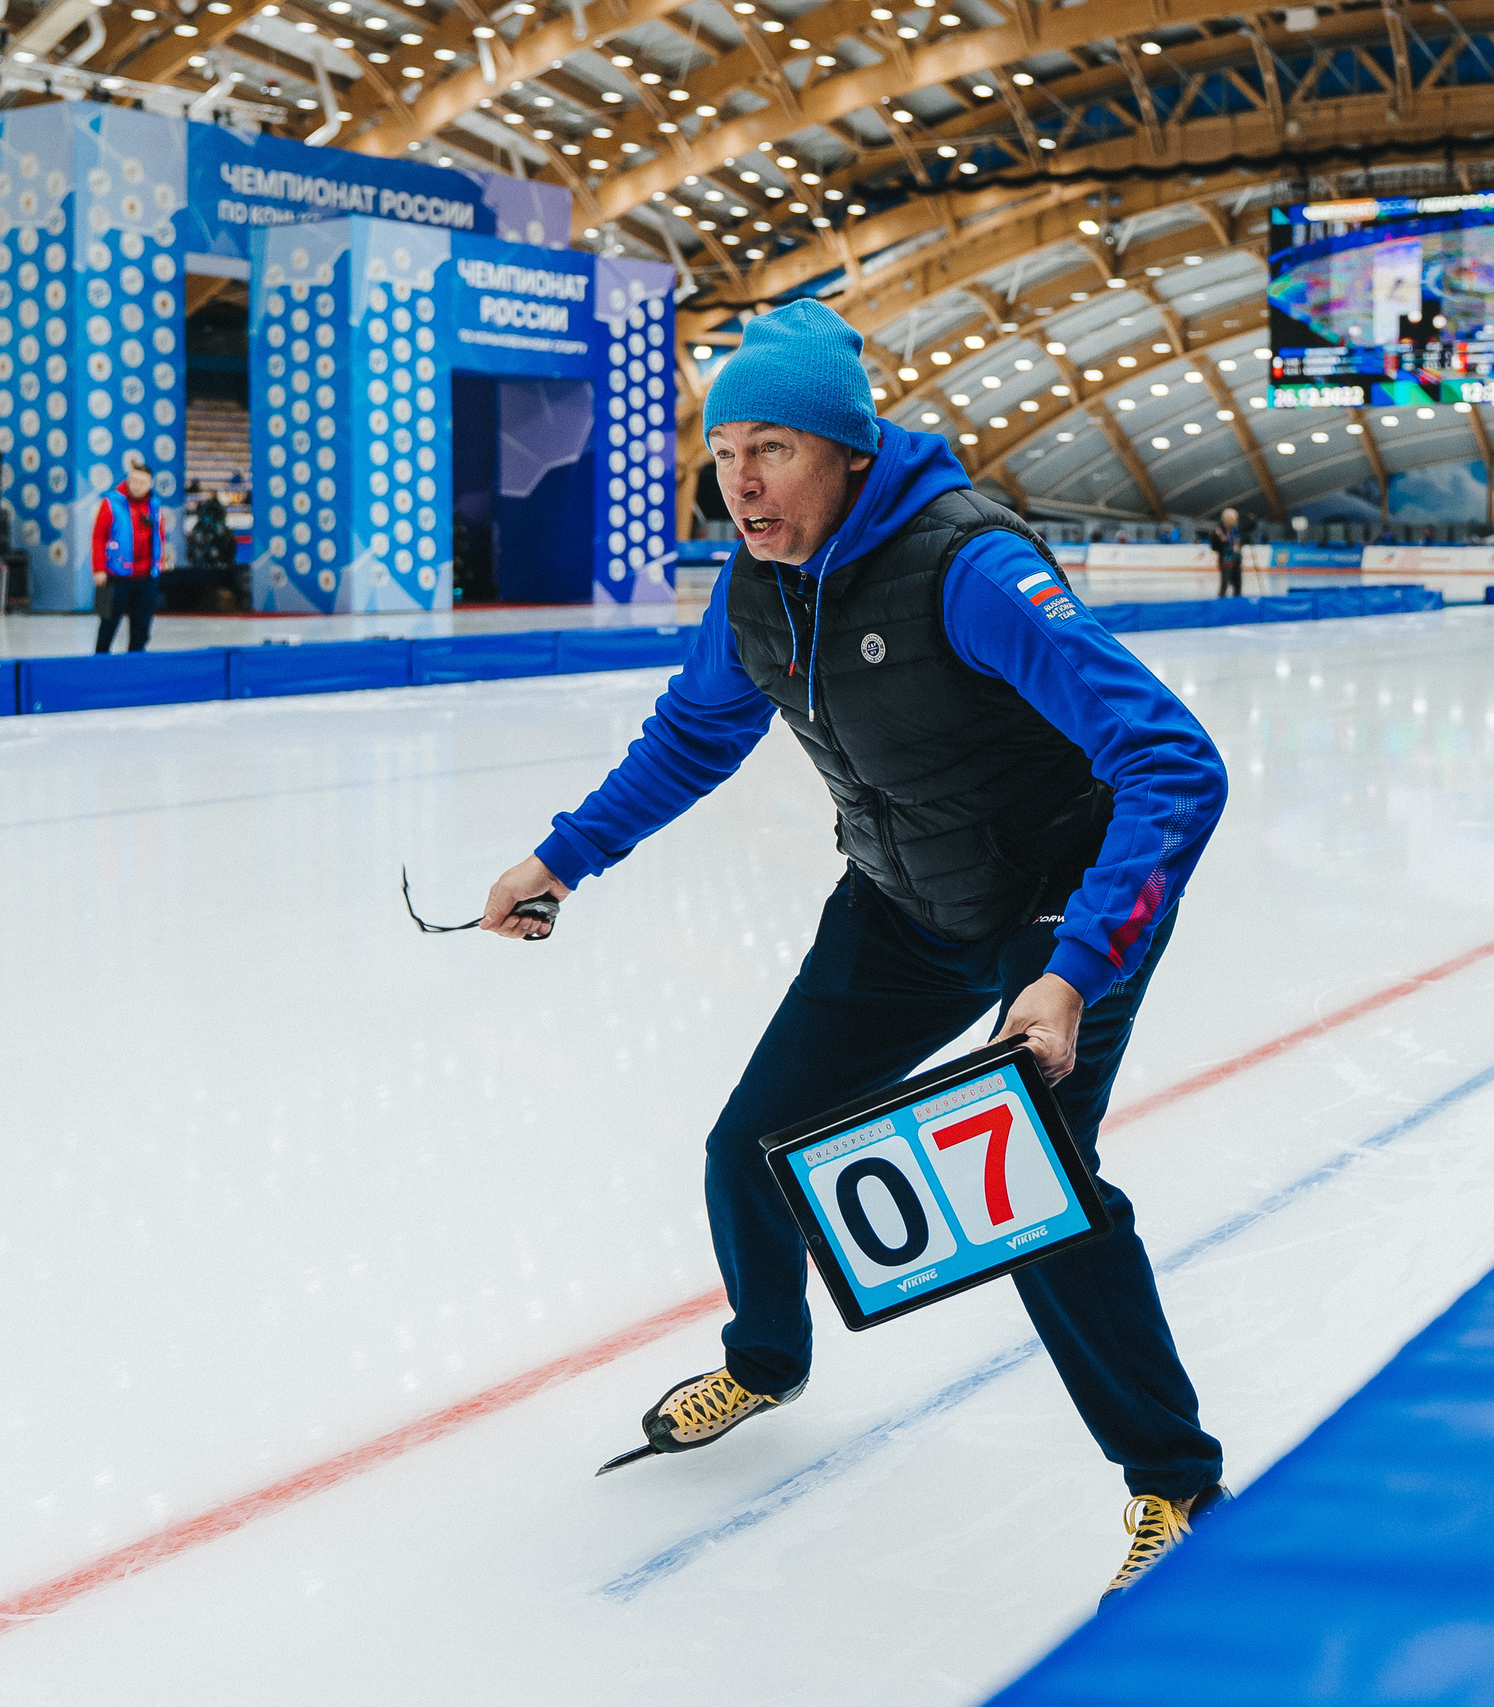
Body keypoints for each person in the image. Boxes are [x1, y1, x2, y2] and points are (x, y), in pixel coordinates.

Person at [478, 298, 1231, 1602]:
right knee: (747, 1145)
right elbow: (691, 737)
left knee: (1036, 1196)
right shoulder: (755, 590)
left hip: (1055, 910)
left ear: (848, 450)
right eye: (723, 453)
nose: (742, 479)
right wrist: (562, 858)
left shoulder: (965, 569)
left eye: (772, 445)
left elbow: (1172, 761)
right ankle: (768, 1358)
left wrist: (1065, 978)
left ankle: (1176, 1478)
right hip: (902, 900)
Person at [91, 460, 164, 652]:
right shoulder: (110, 503)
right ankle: (100, 662)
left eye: (142, 482)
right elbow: (98, 537)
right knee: (107, 624)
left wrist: (159, 563)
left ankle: (135, 665)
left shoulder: (155, 505)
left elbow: (159, 535)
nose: (137, 485)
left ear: (150, 484)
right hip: (114, 576)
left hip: (147, 577)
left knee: (142, 628)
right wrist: (98, 569)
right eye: (134, 480)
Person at [1212, 506, 1245, 597]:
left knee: (1238, 584)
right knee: (1225, 584)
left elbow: (1240, 541)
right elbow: (1214, 547)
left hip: (1236, 560)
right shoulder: (1218, 530)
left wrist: (1238, 546)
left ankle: (1237, 603)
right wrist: (1219, 538)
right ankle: (1222, 603)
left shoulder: (1236, 529)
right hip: (1225, 561)